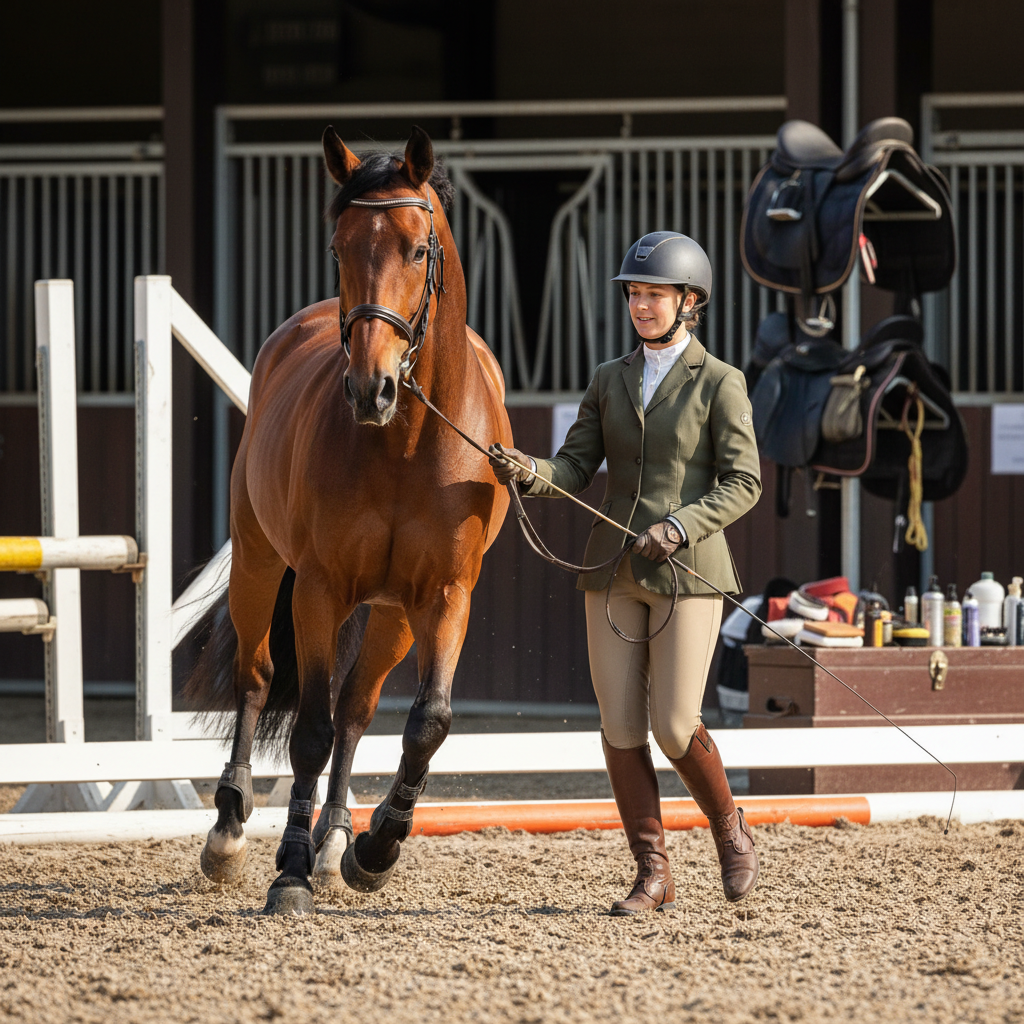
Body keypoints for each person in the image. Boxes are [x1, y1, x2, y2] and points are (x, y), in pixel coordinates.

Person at [490, 232, 762, 914]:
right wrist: (528, 470)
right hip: (613, 569)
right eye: (634, 294)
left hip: (687, 571)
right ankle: (652, 872)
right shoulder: (609, 378)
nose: (641, 305)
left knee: (673, 725)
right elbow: (575, 466)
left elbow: (745, 482)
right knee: (619, 726)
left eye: (654, 295)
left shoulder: (720, 382)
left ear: (689, 302)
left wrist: (680, 526)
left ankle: (729, 828)